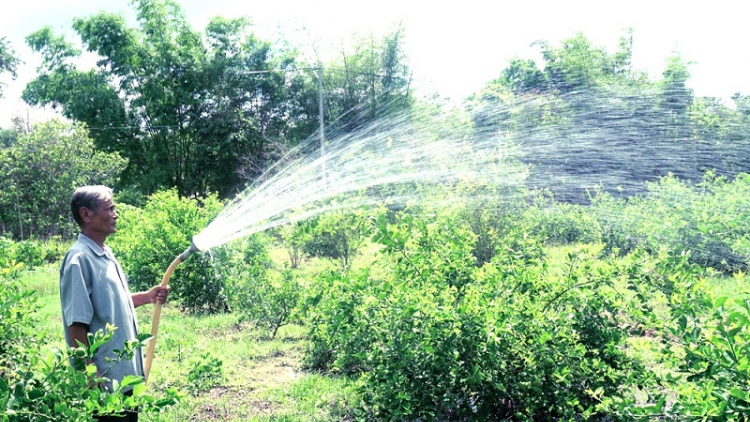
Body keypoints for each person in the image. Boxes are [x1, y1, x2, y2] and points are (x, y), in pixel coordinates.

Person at [60, 185, 170, 422]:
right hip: (105, 384)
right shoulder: (78, 260)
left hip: (126, 378)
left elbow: (109, 304)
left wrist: (147, 297)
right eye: (109, 208)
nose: (115, 214)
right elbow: (77, 325)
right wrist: (92, 377)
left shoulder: (105, 252)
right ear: (86, 215)